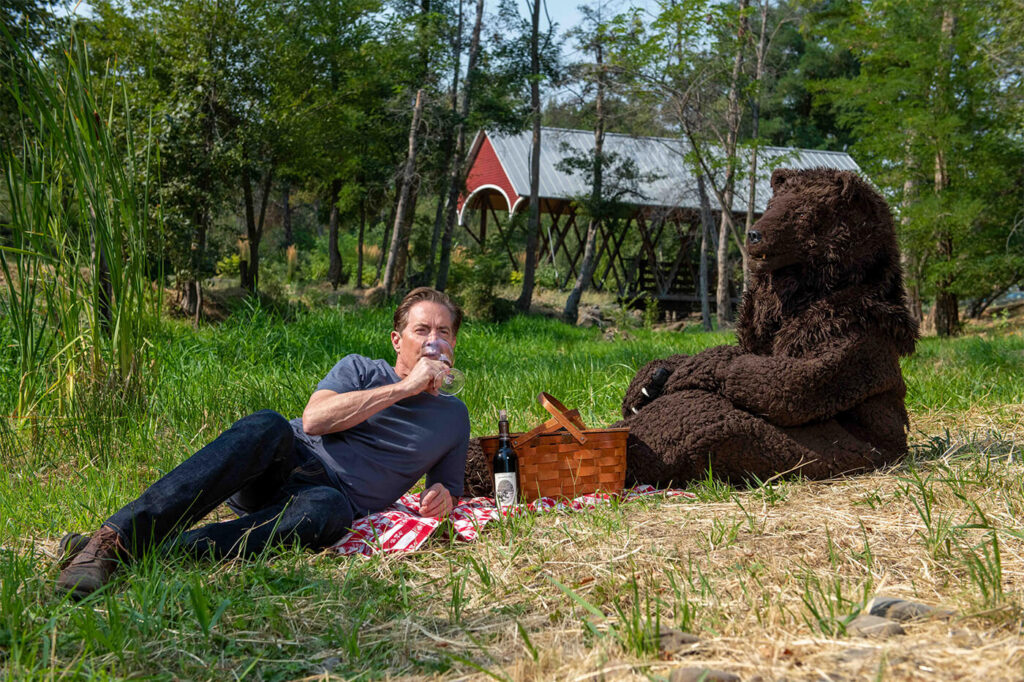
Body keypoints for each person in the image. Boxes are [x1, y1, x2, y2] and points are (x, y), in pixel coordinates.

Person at [57, 287, 470, 599]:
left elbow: (449, 486)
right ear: (398, 340)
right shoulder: (360, 369)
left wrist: (442, 495)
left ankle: (144, 551)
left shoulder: (454, 416)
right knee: (268, 424)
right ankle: (113, 538)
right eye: (422, 330)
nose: (433, 340)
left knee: (332, 511)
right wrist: (404, 388)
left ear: (453, 344)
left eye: (443, 331)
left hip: (325, 499)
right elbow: (315, 420)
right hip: (282, 460)